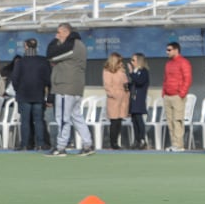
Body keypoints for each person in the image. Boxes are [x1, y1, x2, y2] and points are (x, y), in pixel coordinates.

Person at [47, 23, 94, 156]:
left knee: (62, 118)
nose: (57, 36)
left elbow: (50, 54)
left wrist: (55, 41)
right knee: (76, 117)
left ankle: (61, 147)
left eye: (59, 33)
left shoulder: (72, 45)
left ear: (66, 32)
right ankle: (87, 144)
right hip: (75, 87)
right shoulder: (79, 45)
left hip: (65, 86)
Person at [11, 39, 51, 151]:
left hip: (24, 95)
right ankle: (40, 143)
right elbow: (48, 79)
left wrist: (18, 90)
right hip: (38, 94)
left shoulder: (20, 62)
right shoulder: (43, 61)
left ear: (26, 46)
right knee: (39, 120)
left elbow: (15, 79)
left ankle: (25, 144)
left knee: (25, 121)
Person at [161, 41, 192, 152]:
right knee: (170, 121)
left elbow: (187, 79)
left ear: (176, 50)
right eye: (167, 50)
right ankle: (174, 144)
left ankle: (179, 145)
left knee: (177, 120)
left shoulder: (183, 62)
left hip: (178, 96)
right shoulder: (168, 64)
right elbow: (165, 79)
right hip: (168, 96)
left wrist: (181, 93)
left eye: (169, 50)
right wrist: (163, 93)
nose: (167, 52)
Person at [103, 52, 130, 150]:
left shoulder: (121, 70)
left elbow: (125, 83)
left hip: (123, 98)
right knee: (114, 121)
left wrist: (127, 94)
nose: (121, 63)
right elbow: (107, 86)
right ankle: (113, 143)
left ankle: (116, 143)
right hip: (114, 100)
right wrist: (115, 95)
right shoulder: (107, 71)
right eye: (119, 61)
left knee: (119, 121)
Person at [127, 54, 150, 150]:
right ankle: (136, 140)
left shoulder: (144, 72)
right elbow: (133, 84)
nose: (131, 62)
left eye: (133, 60)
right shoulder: (136, 72)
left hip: (139, 99)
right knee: (134, 120)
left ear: (138, 61)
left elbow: (140, 82)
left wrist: (131, 73)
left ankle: (142, 140)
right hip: (133, 98)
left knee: (139, 119)